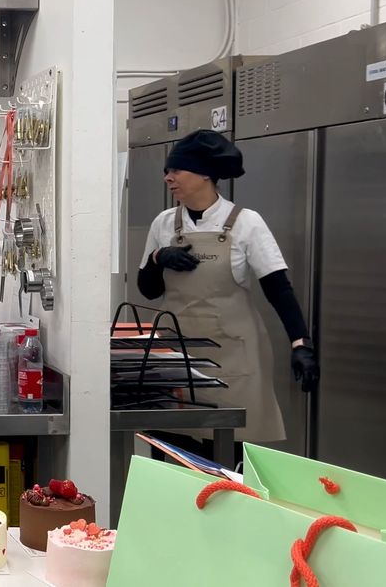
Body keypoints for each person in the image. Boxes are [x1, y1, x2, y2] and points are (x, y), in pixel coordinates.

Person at [137, 130, 320, 448]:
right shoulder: (164, 224)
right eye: (167, 171)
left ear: (205, 174)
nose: (168, 178)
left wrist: (300, 344)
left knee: (227, 452)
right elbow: (148, 290)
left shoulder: (247, 223)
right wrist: (158, 257)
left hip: (232, 358)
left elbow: (278, 288)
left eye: (176, 169)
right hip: (176, 358)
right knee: (175, 452)